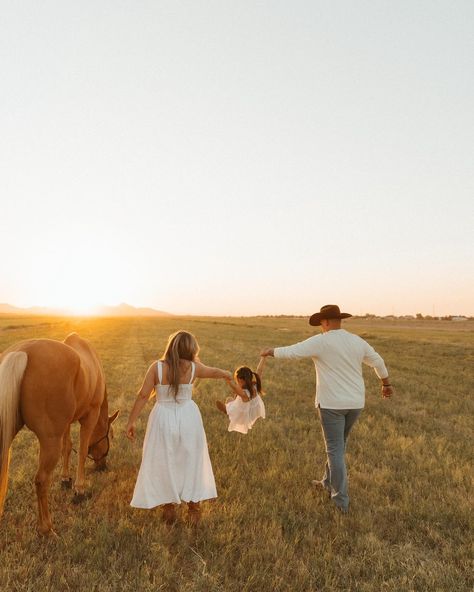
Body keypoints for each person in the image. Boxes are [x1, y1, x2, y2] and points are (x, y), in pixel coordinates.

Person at [260, 304, 392, 513]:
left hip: (331, 404)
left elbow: (293, 352)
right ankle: (326, 483)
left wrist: (270, 351)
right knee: (339, 446)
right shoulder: (356, 341)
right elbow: (378, 361)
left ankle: (341, 501)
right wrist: (385, 384)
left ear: (326, 322)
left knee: (335, 450)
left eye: (322, 321)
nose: (321, 325)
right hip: (355, 403)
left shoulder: (321, 341)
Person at [126, 330, 231, 525]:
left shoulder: (156, 368)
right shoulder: (194, 368)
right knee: (191, 460)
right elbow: (214, 372)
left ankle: (169, 508)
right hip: (188, 417)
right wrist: (227, 375)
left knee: (164, 460)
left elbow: (142, 395)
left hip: (162, 418)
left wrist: (131, 421)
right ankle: (194, 508)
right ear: (191, 349)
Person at [215, 357, 267, 434]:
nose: (237, 383)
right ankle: (229, 407)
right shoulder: (255, 385)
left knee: (229, 400)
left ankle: (226, 410)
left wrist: (226, 378)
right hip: (253, 412)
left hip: (243, 418)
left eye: (237, 381)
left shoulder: (245, 394)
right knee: (233, 399)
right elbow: (259, 370)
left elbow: (235, 388)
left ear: (240, 380)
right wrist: (263, 357)